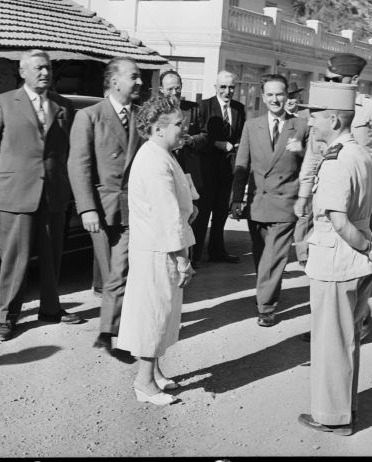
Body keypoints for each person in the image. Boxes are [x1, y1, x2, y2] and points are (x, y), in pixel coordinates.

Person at [296, 81, 372, 435]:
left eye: (315, 116)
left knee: (331, 344)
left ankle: (332, 417)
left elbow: (338, 221)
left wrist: (369, 246)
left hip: (337, 263)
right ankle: (344, 409)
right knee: (347, 340)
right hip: (356, 262)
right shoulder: (362, 155)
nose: (310, 122)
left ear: (335, 120)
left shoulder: (338, 160)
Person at [0, 49, 85, 341]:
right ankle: (8, 317)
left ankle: (51, 308)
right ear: (22, 71)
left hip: (53, 193)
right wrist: (10, 176)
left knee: (53, 256)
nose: (45, 73)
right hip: (16, 194)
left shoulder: (64, 106)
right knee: (15, 259)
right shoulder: (3, 103)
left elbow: (69, 151)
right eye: (38, 68)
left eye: (48, 68)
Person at [295, 53, 372, 340]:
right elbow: (315, 153)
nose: (329, 83)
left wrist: (367, 197)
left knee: (357, 261)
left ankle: (355, 322)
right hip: (327, 193)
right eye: (327, 79)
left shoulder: (371, 108)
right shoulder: (326, 105)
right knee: (318, 257)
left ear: (353, 80)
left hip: (359, 198)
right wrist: (304, 193)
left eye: (335, 80)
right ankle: (327, 325)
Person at [117, 95, 198, 405]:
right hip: (158, 251)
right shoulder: (153, 160)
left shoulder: (162, 153)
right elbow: (166, 216)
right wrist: (182, 260)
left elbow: (174, 203)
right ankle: (144, 383)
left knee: (162, 314)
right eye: (179, 124)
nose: (184, 129)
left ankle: (156, 373)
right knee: (153, 315)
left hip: (157, 247)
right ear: (158, 128)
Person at [67, 56, 143, 362]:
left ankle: (112, 333)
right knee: (115, 272)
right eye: (134, 77)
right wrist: (86, 209)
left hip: (134, 208)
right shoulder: (89, 116)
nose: (140, 82)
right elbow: (78, 166)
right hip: (102, 208)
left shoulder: (142, 116)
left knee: (121, 271)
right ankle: (112, 332)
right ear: (114, 81)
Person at [231, 74, 308, 327]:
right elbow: (242, 165)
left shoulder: (301, 126)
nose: (276, 99)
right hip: (257, 203)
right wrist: (236, 199)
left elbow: (314, 165)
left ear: (287, 96)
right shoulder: (252, 126)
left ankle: (267, 307)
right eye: (270, 94)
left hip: (285, 203)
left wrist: (303, 151)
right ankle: (266, 292)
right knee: (262, 256)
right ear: (263, 97)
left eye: (280, 94)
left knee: (274, 258)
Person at [192, 70, 246, 265]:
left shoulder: (239, 108)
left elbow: (240, 135)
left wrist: (239, 146)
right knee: (202, 214)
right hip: (206, 169)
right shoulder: (204, 106)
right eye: (223, 87)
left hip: (227, 170)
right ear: (215, 87)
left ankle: (217, 251)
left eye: (231, 87)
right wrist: (218, 144)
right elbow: (199, 135)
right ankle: (195, 256)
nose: (227, 91)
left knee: (221, 213)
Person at [158, 70, 207, 198]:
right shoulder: (156, 112)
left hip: (189, 170)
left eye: (177, 88)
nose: (175, 93)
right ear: (161, 89)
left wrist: (191, 139)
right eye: (170, 89)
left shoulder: (194, 109)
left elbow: (205, 136)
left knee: (192, 212)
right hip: (166, 169)